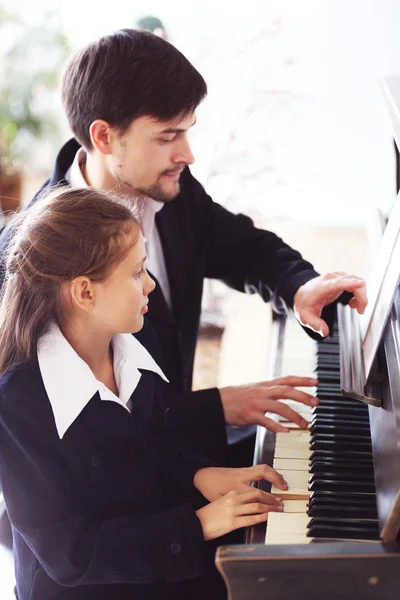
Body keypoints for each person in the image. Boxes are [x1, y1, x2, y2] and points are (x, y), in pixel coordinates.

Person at [0, 29, 367, 468]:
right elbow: (78, 442)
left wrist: (299, 287)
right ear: (103, 138)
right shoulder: (32, 263)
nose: (187, 154)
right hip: (119, 497)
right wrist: (218, 407)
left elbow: (242, 247)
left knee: (331, 452)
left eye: (187, 132)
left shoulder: (165, 185)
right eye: (167, 136)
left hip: (176, 446)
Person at [0, 187, 288, 600]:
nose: (151, 285)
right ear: (85, 293)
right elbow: (70, 556)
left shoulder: (135, 334)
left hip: (155, 549)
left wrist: (201, 475)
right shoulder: (17, 405)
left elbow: (158, 442)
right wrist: (201, 524)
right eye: (137, 273)